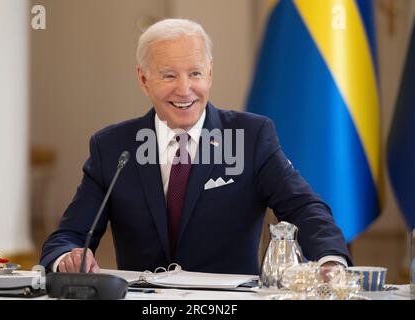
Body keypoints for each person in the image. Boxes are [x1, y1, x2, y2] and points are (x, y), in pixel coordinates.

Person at [40, 18, 351, 275]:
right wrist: (68, 256)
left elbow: (304, 207)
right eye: (169, 76)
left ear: (210, 74)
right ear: (143, 79)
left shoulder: (251, 136)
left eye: (195, 73)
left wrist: (330, 259)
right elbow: (69, 236)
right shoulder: (111, 147)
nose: (185, 89)